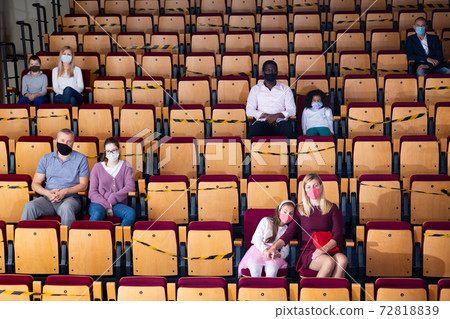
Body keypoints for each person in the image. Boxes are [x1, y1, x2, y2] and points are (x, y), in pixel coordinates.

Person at [266, 174, 347, 278]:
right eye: (308, 187)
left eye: (315, 186)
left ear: (321, 186)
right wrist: (274, 247)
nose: (312, 189)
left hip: (329, 249)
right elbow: (289, 234)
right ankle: (316, 293)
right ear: (304, 190)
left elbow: (338, 235)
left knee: (343, 260)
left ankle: (334, 292)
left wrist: (323, 249)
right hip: (309, 252)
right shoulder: (300, 209)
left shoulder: (332, 208)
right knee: (329, 262)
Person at [21, 128, 89, 227]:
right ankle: (24, 239)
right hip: (48, 199)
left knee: (67, 207)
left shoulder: (81, 159)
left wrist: (64, 192)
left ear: (73, 143)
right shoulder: (46, 158)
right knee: (29, 206)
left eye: (69, 141)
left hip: (70, 199)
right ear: (57, 141)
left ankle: (68, 240)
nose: (65, 144)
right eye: (62, 141)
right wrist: (47, 193)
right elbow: (35, 184)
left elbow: (83, 185)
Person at [238, 200, 295, 277]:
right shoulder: (266, 221)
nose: (287, 215)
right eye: (285, 212)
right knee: (255, 270)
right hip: (258, 250)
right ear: (279, 211)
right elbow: (256, 238)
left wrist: (279, 255)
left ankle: (270, 288)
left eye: (290, 213)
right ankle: (256, 289)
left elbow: (286, 249)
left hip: (273, 254)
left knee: (272, 271)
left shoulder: (287, 230)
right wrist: (265, 250)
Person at [88, 137, 136, 227]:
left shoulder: (126, 165)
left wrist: (113, 198)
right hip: (98, 203)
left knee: (130, 213)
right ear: (105, 152)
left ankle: (120, 238)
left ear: (119, 150)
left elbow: (130, 187)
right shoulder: (97, 167)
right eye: (108, 151)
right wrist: (107, 205)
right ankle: (91, 239)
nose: (111, 153)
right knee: (97, 214)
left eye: (114, 150)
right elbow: (92, 192)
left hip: (117, 204)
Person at [246, 60, 296, 139]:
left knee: (288, 130)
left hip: (280, 123)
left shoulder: (285, 89)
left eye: (273, 70)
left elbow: (292, 110)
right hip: (261, 122)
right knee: (253, 131)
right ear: (263, 73)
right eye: (268, 70)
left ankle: (291, 151)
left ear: (277, 72)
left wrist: (276, 116)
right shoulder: (255, 89)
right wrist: (267, 117)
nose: (271, 72)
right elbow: (249, 111)